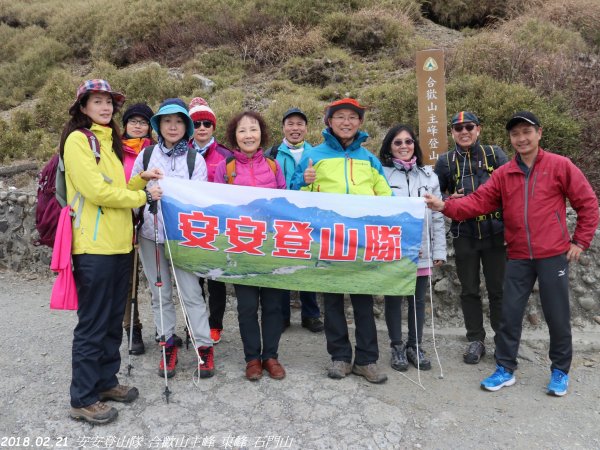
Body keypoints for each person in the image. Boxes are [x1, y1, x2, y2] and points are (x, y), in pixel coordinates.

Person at [425, 111, 599, 396]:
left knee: (557, 315)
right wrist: (445, 207)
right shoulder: (505, 173)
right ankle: (505, 368)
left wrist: (580, 240)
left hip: (553, 254)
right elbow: (478, 202)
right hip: (518, 254)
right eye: (515, 134)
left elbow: (588, 204)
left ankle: (559, 371)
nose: (521, 138)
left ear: (539, 133)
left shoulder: (560, 166)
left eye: (526, 132)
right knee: (509, 313)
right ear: (511, 139)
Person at [63, 79, 162, 424]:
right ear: (83, 107)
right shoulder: (78, 141)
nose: (105, 107)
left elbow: (116, 188)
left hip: (120, 245)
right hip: (93, 247)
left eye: (109, 102)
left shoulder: (108, 143)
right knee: (92, 323)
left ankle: (105, 382)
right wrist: (143, 196)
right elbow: (96, 192)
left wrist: (139, 181)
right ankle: (83, 397)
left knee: (110, 322)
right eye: (98, 101)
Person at [291, 98, 392, 384]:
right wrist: (302, 180)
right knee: (332, 301)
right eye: (340, 117)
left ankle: (366, 360)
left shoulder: (369, 159)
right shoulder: (314, 155)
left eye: (352, 117)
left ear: (360, 123)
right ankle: (339, 357)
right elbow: (293, 195)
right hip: (327, 240)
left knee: (363, 301)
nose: (346, 122)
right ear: (329, 122)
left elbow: (387, 198)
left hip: (361, 242)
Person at [131, 98, 215, 380]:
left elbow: (201, 201)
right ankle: (167, 343)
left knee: (191, 292)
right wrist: (144, 191)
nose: (173, 126)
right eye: (167, 121)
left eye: (179, 121)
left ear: (187, 127)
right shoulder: (145, 156)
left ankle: (203, 345)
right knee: (159, 293)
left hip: (183, 239)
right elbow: (132, 193)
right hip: (150, 235)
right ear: (158, 126)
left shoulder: (195, 159)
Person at [214, 111, 287, 381]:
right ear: (235, 136)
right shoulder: (226, 168)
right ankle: (252, 358)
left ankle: (271, 356)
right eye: (242, 130)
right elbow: (216, 206)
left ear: (262, 134)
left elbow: (284, 205)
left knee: (273, 306)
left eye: (253, 129)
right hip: (241, 248)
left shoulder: (273, 166)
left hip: (270, 247)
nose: (248, 135)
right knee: (246, 306)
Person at [433, 111, 508, 365]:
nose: (463, 132)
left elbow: (512, 188)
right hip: (464, 233)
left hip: (496, 232)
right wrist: (447, 201)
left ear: (479, 129)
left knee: (499, 290)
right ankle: (475, 340)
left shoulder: (494, 154)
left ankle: (503, 340)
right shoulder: (444, 161)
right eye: (458, 128)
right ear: (452, 132)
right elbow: (436, 195)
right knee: (469, 290)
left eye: (469, 127)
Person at [379, 125, 446, 371]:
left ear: (415, 144)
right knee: (394, 299)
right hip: (394, 251)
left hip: (423, 249)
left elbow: (437, 217)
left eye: (408, 141)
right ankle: (396, 346)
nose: (404, 146)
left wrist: (439, 250)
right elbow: (380, 217)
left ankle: (414, 345)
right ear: (389, 147)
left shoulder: (429, 177)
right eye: (398, 142)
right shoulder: (382, 175)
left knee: (417, 301)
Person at [266, 107, 323, 333]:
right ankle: (282, 315)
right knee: (281, 265)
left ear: (307, 128)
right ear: (283, 128)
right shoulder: (272, 153)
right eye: (290, 124)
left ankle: (311, 315)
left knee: (308, 265)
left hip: (308, 218)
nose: (295, 128)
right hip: (280, 217)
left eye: (300, 124)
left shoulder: (317, 154)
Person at [188, 97, 232, 345]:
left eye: (207, 123)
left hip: (218, 228)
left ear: (213, 127)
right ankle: (196, 323)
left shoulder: (225, 154)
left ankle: (215, 325)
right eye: (196, 124)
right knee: (193, 280)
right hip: (190, 226)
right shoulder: (182, 151)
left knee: (216, 280)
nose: (202, 128)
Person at [121, 102, 155, 355]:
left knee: (158, 280)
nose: (137, 125)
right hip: (121, 220)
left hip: (151, 221)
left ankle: (164, 329)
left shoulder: (155, 151)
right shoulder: (113, 150)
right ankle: (132, 329)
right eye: (132, 121)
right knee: (127, 282)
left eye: (142, 122)